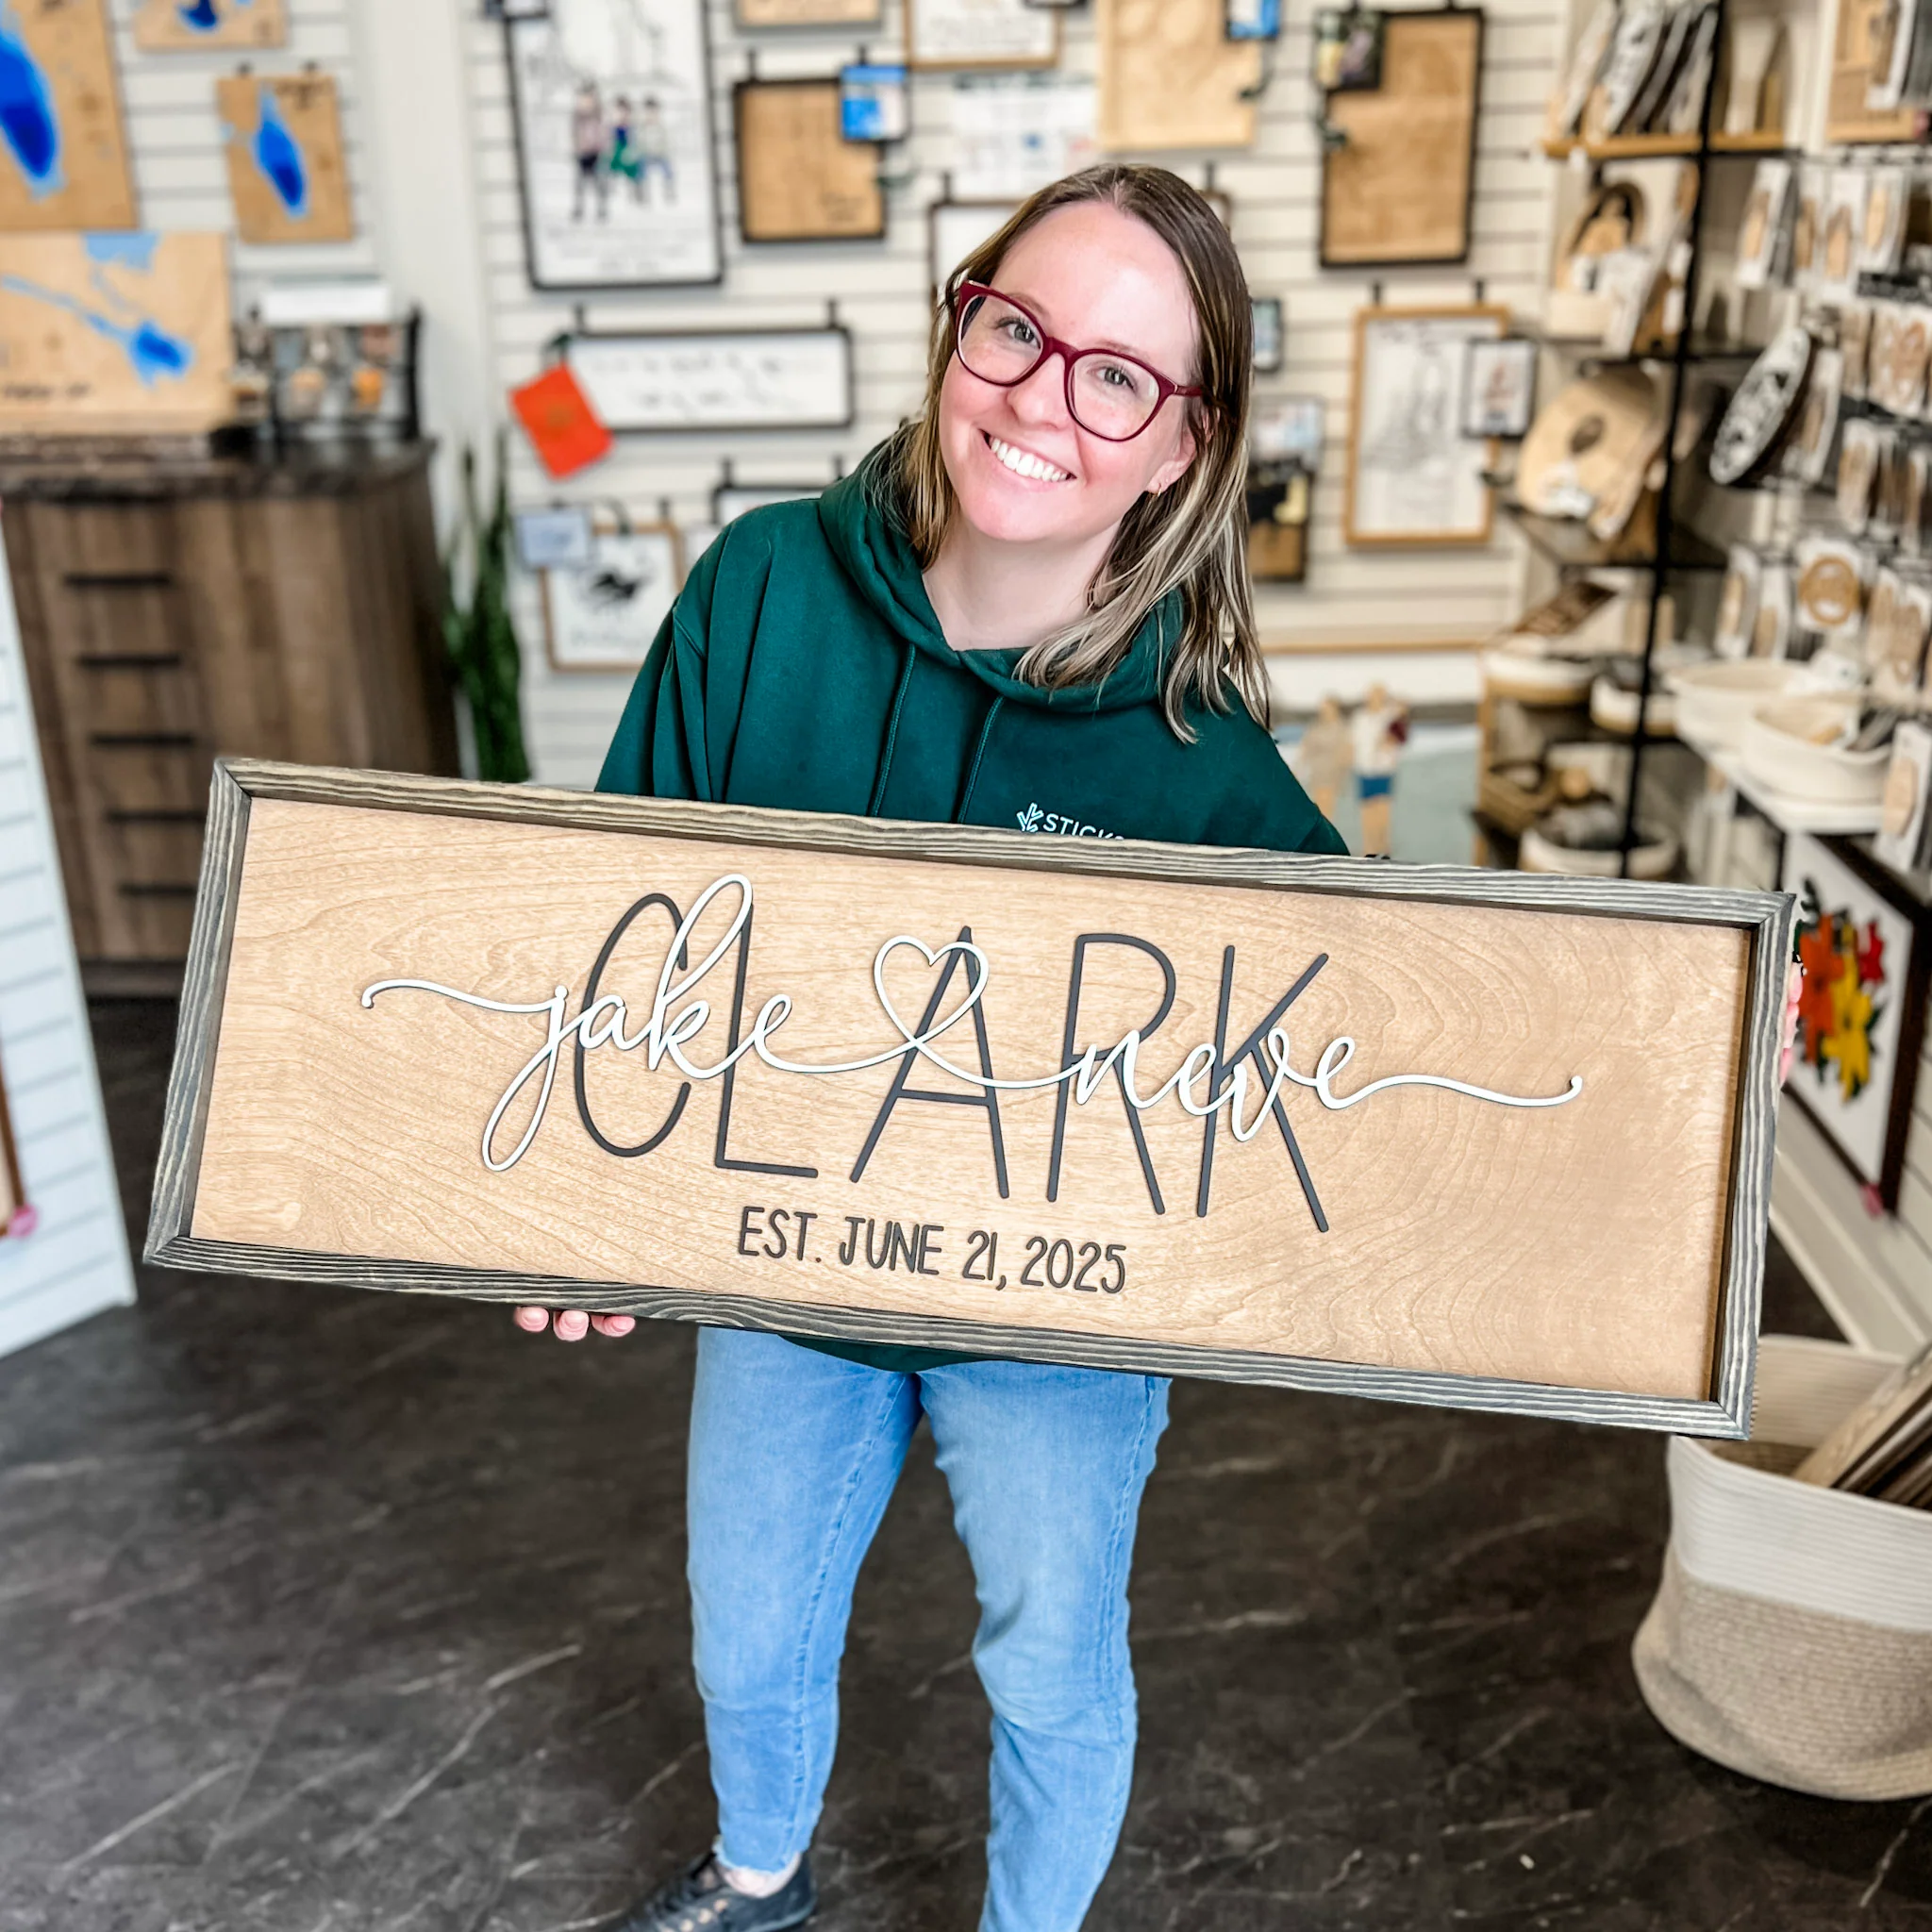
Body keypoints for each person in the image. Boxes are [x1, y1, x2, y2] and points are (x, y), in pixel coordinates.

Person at [515, 163, 1343, 1932]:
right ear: (961, 319)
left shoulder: (1205, 766)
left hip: (1052, 1307)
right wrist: (574, 1203)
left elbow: (1339, 1051)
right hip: (780, 1255)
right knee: (745, 1623)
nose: (1045, 397)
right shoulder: (761, 593)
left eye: (1118, 374)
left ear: (1182, 445)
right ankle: (758, 1880)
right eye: (1018, 329)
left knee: (1051, 1653)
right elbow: (615, 909)